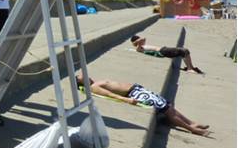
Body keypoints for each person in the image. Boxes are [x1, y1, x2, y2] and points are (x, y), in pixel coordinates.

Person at [76, 74, 210, 137]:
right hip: (134, 94)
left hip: (137, 89)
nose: (86, 76)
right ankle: (191, 129)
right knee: (166, 109)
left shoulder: (95, 82)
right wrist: (126, 100)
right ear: (81, 83)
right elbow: (109, 94)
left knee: (167, 105)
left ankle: (191, 123)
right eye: (83, 77)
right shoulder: (93, 87)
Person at [130, 35, 204, 74]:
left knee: (185, 51)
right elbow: (138, 46)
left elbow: (144, 39)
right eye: (139, 40)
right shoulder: (139, 48)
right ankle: (189, 69)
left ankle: (191, 67)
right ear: (137, 42)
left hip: (164, 49)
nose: (143, 41)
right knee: (184, 51)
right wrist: (138, 42)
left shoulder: (143, 46)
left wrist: (140, 40)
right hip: (162, 52)